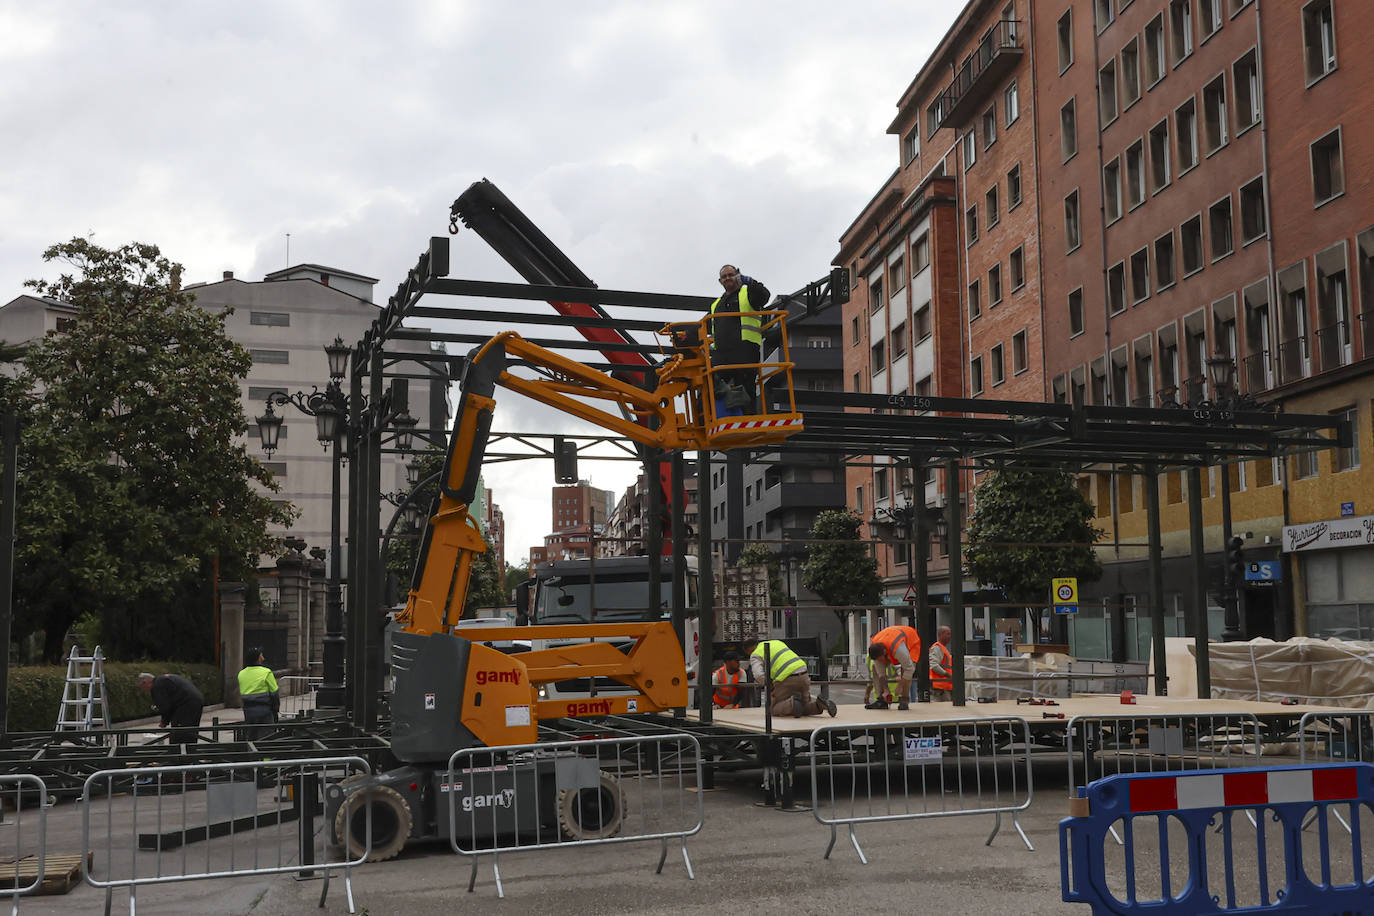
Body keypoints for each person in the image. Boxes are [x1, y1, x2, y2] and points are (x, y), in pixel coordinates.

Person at [709, 265, 771, 414]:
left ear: (737, 275)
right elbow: (703, 324)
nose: (727, 278)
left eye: (731, 274)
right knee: (709, 379)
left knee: (746, 387)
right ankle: (720, 414)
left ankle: (748, 422)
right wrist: (684, 333)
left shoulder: (748, 293)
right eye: (724, 276)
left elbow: (764, 296)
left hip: (745, 350)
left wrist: (750, 282)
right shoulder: (716, 304)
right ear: (720, 281)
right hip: (722, 353)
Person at [744, 638, 836, 718]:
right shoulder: (777, 642)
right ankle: (819, 705)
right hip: (803, 673)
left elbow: (758, 675)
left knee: (772, 708)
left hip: (785, 677)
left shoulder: (755, 654)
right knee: (805, 705)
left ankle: (792, 704)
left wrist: (769, 684)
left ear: (748, 650)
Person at [137, 672, 204, 746]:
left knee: (179, 732)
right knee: (189, 730)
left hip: (186, 704)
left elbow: (164, 706)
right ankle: (189, 752)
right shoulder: (162, 680)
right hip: (195, 700)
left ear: (145, 682)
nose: (143, 690)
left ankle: (178, 754)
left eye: (141, 687)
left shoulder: (156, 686)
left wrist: (164, 721)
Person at [864, 625, 920, 711]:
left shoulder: (898, 649)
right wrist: (886, 690)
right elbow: (881, 674)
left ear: (884, 652)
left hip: (911, 640)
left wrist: (900, 686)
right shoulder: (875, 647)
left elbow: (910, 669)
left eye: (881, 659)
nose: (882, 662)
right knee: (875, 667)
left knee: (905, 669)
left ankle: (904, 701)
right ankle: (881, 700)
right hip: (890, 637)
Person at [237, 647, 280, 724]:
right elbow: (274, 693)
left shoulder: (241, 674)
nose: (263, 658)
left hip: (248, 711)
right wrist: (276, 709)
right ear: (258, 659)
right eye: (261, 656)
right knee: (266, 734)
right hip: (265, 710)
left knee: (251, 734)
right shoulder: (266, 672)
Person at [930, 625, 955, 701]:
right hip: (940, 689)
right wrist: (948, 675)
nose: (950, 636)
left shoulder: (943, 649)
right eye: (948, 634)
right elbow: (933, 665)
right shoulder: (937, 648)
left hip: (944, 687)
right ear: (940, 634)